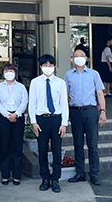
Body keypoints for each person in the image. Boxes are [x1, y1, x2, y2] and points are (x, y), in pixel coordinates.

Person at [65, 45, 107, 186]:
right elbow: (66, 95)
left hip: (90, 111)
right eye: (76, 56)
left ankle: (94, 174)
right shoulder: (68, 75)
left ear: (86, 58)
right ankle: (80, 173)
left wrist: (103, 111)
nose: (79, 58)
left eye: (81, 55)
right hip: (75, 111)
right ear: (72, 59)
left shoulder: (94, 74)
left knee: (92, 144)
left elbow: (100, 93)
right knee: (77, 143)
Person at [28, 54, 68, 193]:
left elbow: (64, 104)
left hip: (56, 119)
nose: (48, 68)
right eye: (45, 65)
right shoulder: (35, 82)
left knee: (57, 151)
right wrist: (33, 122)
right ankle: (45, 178)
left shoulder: (60, 83)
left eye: (51, 65)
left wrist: (64, 124)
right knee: (42, 150)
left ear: (55, 66)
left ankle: (55, 179)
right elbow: (32, 103)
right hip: (41, 120)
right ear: (40, 66)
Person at [0, 63, 28, 186]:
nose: (9, 73)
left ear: (15, 73)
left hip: (18, 118)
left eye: (11, 71)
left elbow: (25, 102)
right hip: (4, 118)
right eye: (7, 71)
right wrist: (7, 114)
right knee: (4, 146)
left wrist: (17, 114)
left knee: (17, 147)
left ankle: (17, 176)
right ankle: (5, 175)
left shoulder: (20, 87)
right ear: (3, 73)